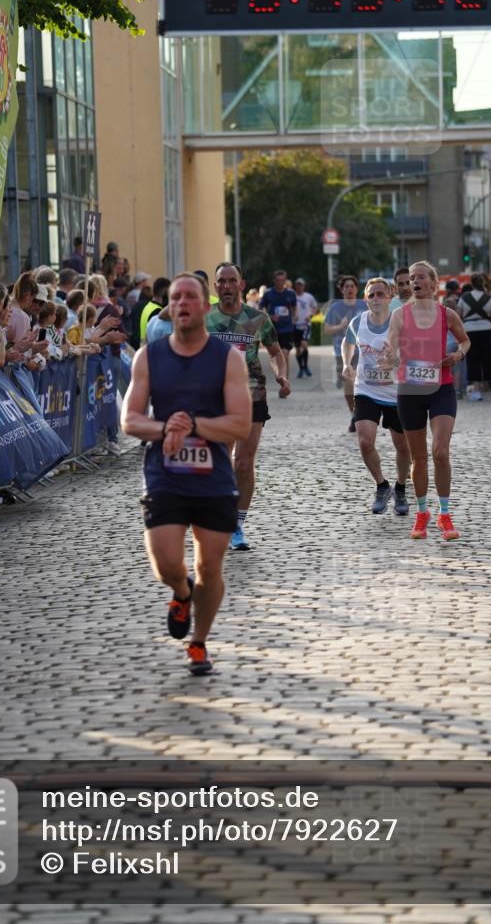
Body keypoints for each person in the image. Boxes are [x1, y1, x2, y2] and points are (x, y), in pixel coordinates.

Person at [121, 272, 251, 675]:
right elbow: (129, 419)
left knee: (210, 567)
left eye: (190, 297)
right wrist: (167, 430)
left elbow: (240, 424)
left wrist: (192, 425)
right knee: (166, 563)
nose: (181, 304)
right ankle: (180, 593)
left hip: (213, 476)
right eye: (175, 298)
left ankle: (199, 642)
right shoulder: (149, 356)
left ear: (205, 307)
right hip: (166, 472)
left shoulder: (227, 358)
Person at [381, 261, 470, 541]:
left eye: (420, 277)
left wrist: (458, 355)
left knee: (440, 452)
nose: (414, 282)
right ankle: (422, 513)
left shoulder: (447, 315)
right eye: (410, 278)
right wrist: (388, 357)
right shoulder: (399, 315)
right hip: (410, 391)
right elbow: (391, 344)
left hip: (441, 387)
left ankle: (444, 514)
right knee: (418, 456)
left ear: (434, 284)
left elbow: (465, 341)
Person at [206, 262, 290, 551]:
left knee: (243, 463)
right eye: (221, 282)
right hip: (215, 399)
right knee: (220, 462)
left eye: (232, 281)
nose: (227, 286)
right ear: (215, 287)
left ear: (241, 284)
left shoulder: (257, 318)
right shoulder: (204, 318)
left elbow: (276, 353)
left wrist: (281, 373)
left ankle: (236, 525)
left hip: (252, 395)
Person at [341, 278, 410, 515]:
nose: (376, 299)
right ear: (365, 299)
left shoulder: (399, 323)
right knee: (365, 441)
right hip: (366, 390)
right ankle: (382, 485)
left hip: (396, 392)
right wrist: (347, 363)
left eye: (381, 294)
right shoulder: (358, 322)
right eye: (371, 295)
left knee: (402, 445)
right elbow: (347, 343)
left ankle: (400, 488)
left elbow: (413, 354)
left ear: (390, 297)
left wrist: (396, 361)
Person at [325, 275, 368, 430]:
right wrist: (340, 326)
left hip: (363, 350)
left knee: (361, 383)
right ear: (342, 289)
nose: (349, 289)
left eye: (352, 286)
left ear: (357, 289)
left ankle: (363, 414)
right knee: (349, 382)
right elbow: (327, 329)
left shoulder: (365, 305)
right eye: (346, 286)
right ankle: (354, 414)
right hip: (341, 351)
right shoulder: (335, 308)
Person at [456, 273, 491, 401]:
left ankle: (476, 391)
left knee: (473, 359)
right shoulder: (489, 297)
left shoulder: (464, 297)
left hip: (470, 330)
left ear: (471, 283)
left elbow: (459, 315)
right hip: (487, 330)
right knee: (489, 359)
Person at [259, 270, 296, 391]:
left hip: (287, 328)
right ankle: (280, 377)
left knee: (285, 354)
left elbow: (294, 307)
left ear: (285, 281)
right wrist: (269, 316)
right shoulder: (268, 294)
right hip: (272, 329)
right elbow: (261, 308)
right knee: (274, 356)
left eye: (283, 280)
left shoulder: (291, 293)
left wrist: (294, 317)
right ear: (274, 281)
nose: (280, 283)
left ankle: (285, 384)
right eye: (278, 280)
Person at [292, 277, 317, 378]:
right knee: (298, 349)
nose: (299, 286)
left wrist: (310, 315)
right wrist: (293, 315)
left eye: (301, 285)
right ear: (295, 286)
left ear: (304, 286)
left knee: (304, 344)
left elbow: (314, 307)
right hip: (295, 325)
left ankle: (306, 366)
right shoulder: (292, 296)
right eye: (297, 284)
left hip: (306, 325)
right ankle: (301, 368)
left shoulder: (308, 296)